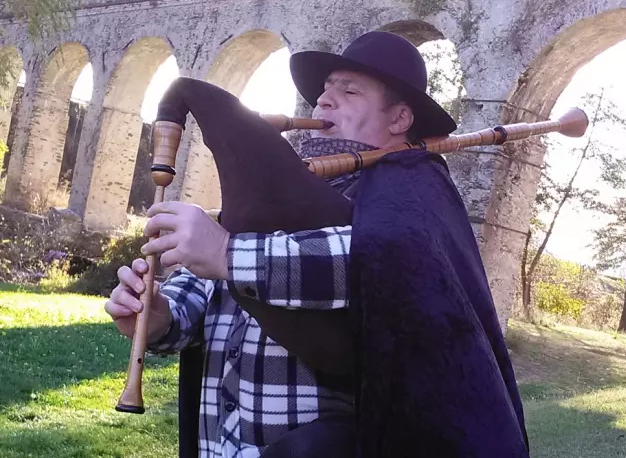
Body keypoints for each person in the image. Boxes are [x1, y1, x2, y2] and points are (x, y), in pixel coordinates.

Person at [105, 31, 529, 458]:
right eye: (325, 89)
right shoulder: (285, 188)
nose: (324, 100)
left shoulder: (416, 190)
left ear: (399, 120)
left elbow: (384, 263)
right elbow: (216, 282)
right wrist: (161, 315)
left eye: (349, 90)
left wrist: (226, 253)